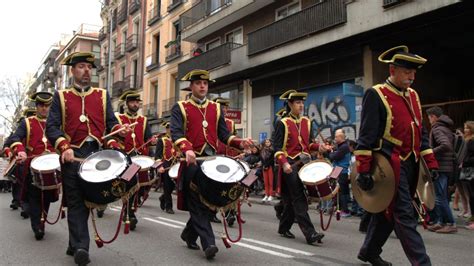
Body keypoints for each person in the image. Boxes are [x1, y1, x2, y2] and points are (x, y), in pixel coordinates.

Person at [354, 45, 439, 265]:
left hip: (412, 164)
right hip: (389, 164)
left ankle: (369, 252)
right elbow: (366, 135)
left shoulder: (414, 96)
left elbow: (421, 133)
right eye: (407, 72)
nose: (412, 77)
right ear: (392, 70)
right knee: (403, 214)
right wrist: (363, 169)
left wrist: (431, 163)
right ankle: (422, 263)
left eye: (413, 73)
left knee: (387, 213)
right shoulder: (376, 94)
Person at [46, 52, 129, 266]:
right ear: (72, 70)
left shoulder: (102, 95)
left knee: (91, 200)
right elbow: (52, 127)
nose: (86, 71)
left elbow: (111, 123)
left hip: (97, 156)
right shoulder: (61, 97)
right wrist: (64, 146)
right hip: (73, 157)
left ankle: (74, 243)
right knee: (76, 203)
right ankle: (82, 247)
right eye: (81, 66)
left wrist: (119, 130)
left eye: (88, 67)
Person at [170, 69, 252, 260]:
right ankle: (209, 243)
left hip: (212, 162)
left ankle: (189, 234)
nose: (202, 86)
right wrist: (187, 148)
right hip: (192, 162)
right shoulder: (180, 107)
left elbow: (224, 135)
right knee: (198, 204)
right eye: (198, 83)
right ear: (191, 86)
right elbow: (175, 132)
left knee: (209, 203)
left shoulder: (215, 108)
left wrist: (240, 142)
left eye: (205, 83)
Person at [273, 89, 325, 245]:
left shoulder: (307, 122)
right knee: (300, 198)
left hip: (306, 163)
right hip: (291, 165)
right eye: (297, 103)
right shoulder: (282, 123)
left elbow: (308, 144)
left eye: (302, 103)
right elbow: (277, 149)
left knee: (290, 201)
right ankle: (310, 233)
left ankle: (283, 228)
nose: (301, 105)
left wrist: (319, 147)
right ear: (290, 104)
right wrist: (285, 163)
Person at [7, 92, 57, 240]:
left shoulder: (55, 123)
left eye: (47, 106)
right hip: (32, 166)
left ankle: (42, 221)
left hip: (51, 166)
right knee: (35, 197)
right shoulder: (27, 122)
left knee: (47, 197)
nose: (44, 109)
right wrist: (21, 151)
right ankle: (37, 226)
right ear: (36, 106)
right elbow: (15, 138)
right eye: (41, 105)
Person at [115, 90, 157, 229]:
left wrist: (153, 141)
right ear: (127, 104)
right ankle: (129, 213)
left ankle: (129, 211)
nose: (135, 104)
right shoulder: (120, 119)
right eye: (132, 102)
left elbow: (148, 139)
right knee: (130, 186)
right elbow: (115, 138)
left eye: (137, 102)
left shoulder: (143, 120)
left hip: (140, 159)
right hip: (126, 159)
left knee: (140, 187)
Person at [425, 106, 457, 233]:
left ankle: (450, 223)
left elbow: (446, 145)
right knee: (440, 195)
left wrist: (430, 152)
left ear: (433, 117)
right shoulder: (445, 128)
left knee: (440, 196)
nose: (428, 120)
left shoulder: (437, 129)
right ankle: (440, 221)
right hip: (446, 166)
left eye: (429, 117)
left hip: (441, 167)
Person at [327, 129, 352, 217]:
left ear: (341, 137)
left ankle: (345, 210)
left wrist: (330, 152)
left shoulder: (344, 147)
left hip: (341, 170)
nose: (335, 138)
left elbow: (335, 157)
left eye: (336, 136)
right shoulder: (340, 146)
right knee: (336, 191)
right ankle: (339, 208)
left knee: (342, 191)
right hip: (337, 170)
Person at [155, 121, 177, 214]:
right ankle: (169, 207)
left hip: (176, 166)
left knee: (173, 186)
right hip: (166, 166)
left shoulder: (178, 140)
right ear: (167, 129)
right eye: (169, 128)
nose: (171, 130)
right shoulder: (162, 140)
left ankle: (163, 197)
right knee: (167, 187)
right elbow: (157, 155)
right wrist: (159, 166)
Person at [461, 121, 474, 230]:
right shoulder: (467, 140)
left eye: (467, 128)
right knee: (470, 194)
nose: (465, 130)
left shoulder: (472, 141)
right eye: (465, 128)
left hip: (471, 171)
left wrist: (464, 163)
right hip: (468, 171)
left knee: (473, 195)